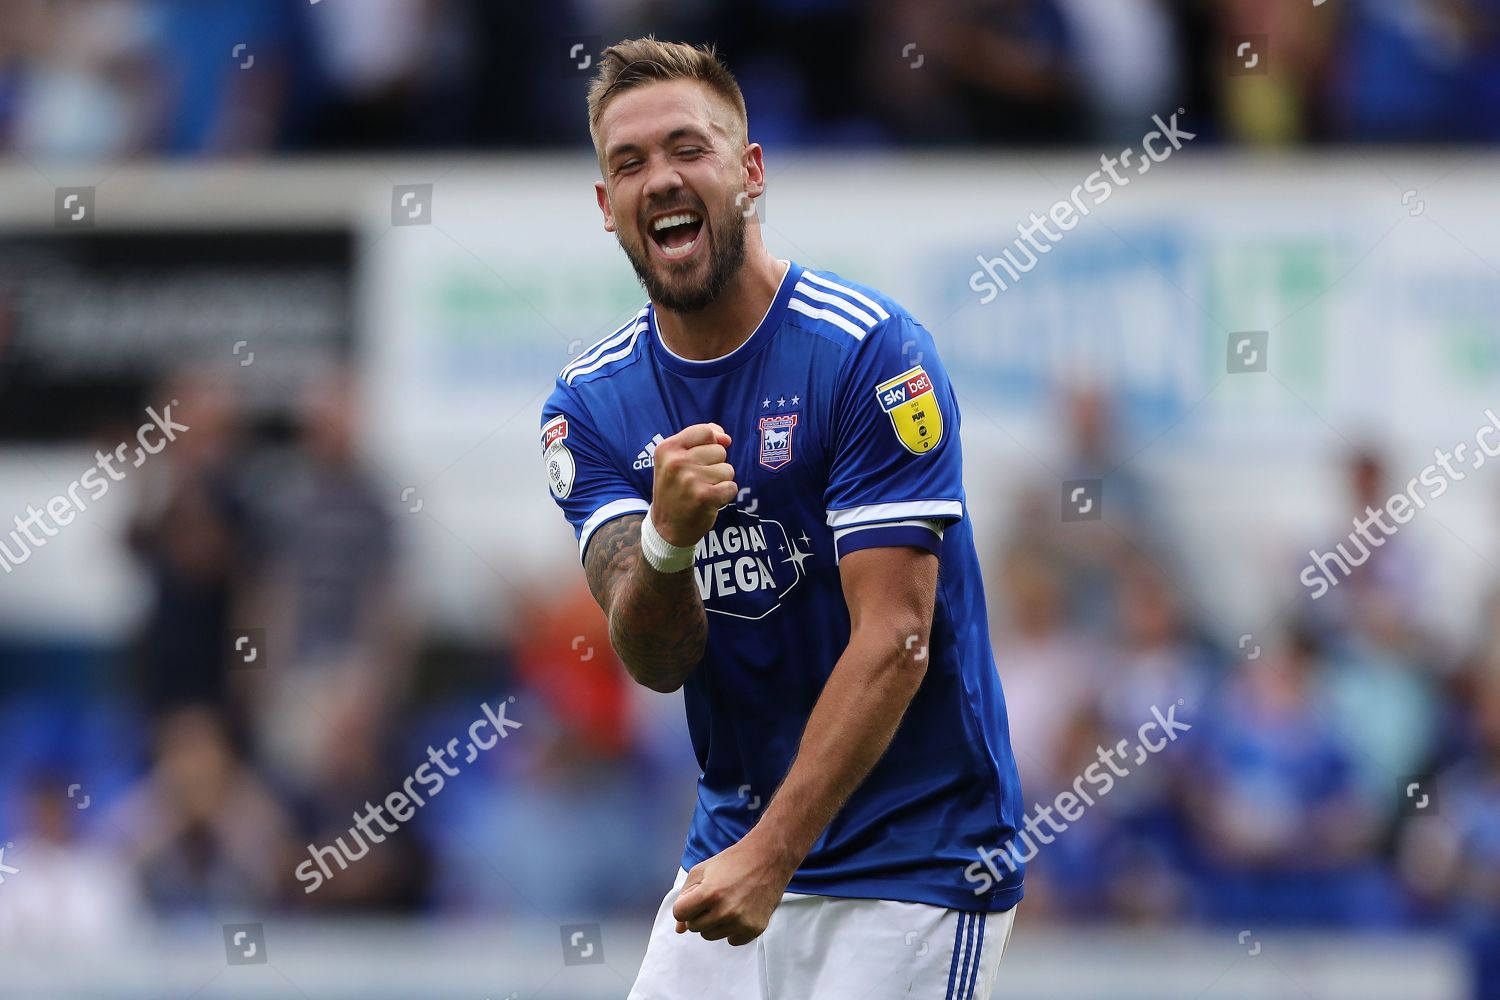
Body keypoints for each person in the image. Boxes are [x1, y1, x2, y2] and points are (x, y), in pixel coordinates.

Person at [539, 37, 1024, 999]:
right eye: (628, 163)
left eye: (688, 148)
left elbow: (896, 639)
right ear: (606, 208)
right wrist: (670, 541)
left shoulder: (871, 356)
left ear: (749, 173)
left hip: (918, 860)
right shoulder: (589, 407)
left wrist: (774, 854)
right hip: (735, 843)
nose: (660, 178)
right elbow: (655, 659)